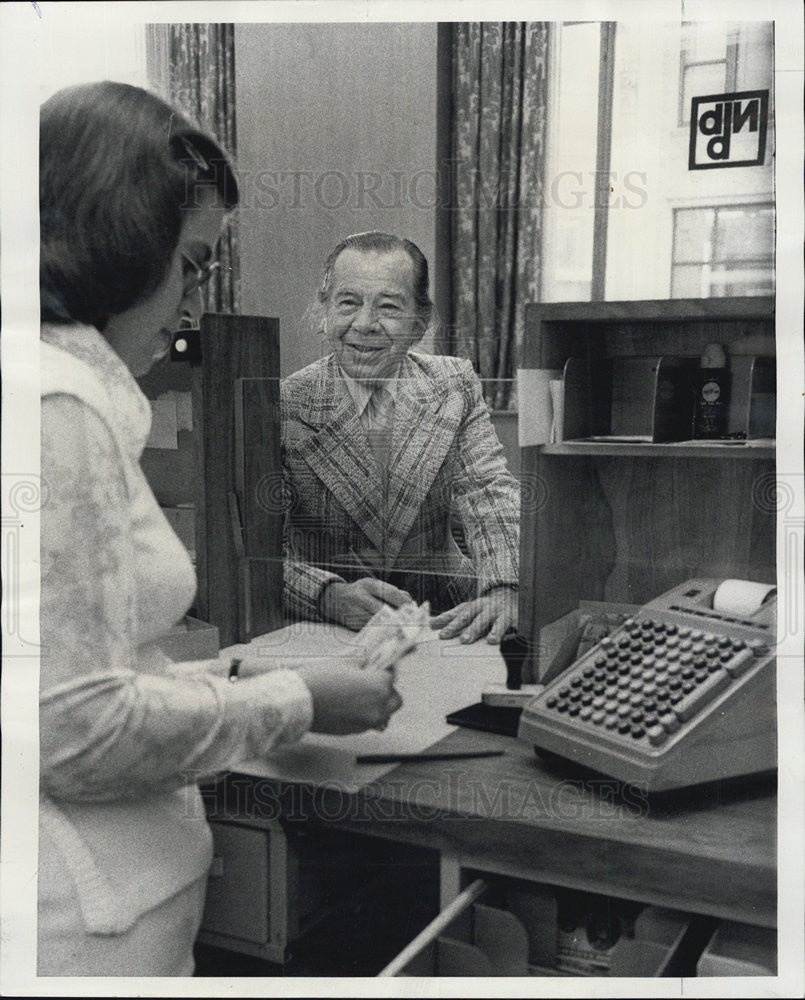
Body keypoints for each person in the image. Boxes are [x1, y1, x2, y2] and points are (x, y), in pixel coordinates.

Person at [38, 82, 402, 977]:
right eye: (193, 264)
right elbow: (72, 727)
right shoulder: (61, 403)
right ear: (119, 240)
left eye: (389, 306)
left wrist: (246, 671)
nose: (196, 304)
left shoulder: (457, 394)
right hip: (79, 924)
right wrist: (300, 696)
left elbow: (78, 661)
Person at [282, 231, 520, 645]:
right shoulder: (288, 402)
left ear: (419, 323)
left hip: (449, 620)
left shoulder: (454, 384)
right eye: (348, 303)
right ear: (324, 313)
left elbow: (490, 491)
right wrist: (328, 595)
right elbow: (266, 550)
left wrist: (505, 588)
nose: (364, 324)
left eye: (388, 307)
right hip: (330, 630)